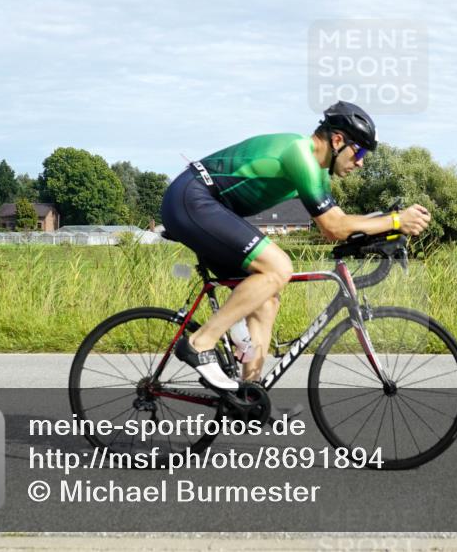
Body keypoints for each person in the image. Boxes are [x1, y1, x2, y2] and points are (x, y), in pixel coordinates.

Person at [160, 101, 431, 391]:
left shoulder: (313, 168)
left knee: (266, 300)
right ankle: (199, 343)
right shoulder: (300, 154)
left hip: (207, 207)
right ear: (338, 140)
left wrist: (382, 228)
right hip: (192, 199)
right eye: (360, 151)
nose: (362, 162)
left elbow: (334, 226)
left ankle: (247, 395)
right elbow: (334, 226)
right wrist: (394, 220)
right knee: (279, 268)